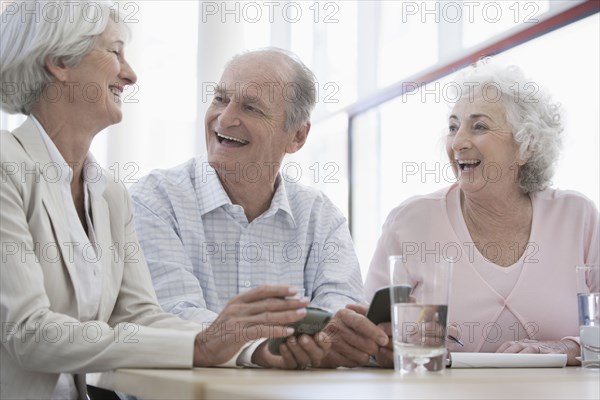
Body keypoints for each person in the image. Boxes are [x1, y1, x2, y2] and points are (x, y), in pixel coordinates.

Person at [0, 2, 311, 398]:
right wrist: (198, 346)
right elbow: (27, 332)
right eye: (114, 52)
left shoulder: (109, 194)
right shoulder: (6, 167)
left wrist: (249, 346)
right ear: (60, 61)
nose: (130, 74)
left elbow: (139, 315)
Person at [129, 48, 387, 369]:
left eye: (250, 108)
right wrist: (261, 348)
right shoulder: (155, 199)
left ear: (297, 136)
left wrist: (332, 339)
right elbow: (171, 315)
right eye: (221, 99)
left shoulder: (320, 215)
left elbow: (339, 306)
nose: (224, 119)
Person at [365, 59, 600, 367]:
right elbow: (365, 335)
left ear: (525, 146)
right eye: (453, 127)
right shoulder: (410, 222)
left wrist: (567, 348)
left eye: (479, 126)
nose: (458, 142)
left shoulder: (576, 216)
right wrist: (392, 343)